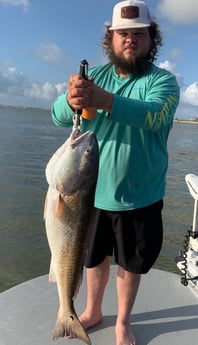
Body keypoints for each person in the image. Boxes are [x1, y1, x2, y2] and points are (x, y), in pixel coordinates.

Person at [51, 1, 180, 344]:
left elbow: (155, 116)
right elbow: (59, 117)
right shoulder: (95, 76)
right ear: (111, 37)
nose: (131, 40)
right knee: (92, 260)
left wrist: (105, 101)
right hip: (90, 195)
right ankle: (92, 309)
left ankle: (123, 321)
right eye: (124, 33)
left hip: (141, 195)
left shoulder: (163, 82)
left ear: (152, 39)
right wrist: (70, 100)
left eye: (139, 34)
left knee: (131, 265)